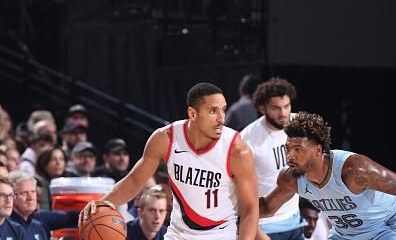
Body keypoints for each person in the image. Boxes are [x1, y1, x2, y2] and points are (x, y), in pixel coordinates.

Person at [80, 82, 259, 240]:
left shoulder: (237, 150)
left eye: (223, 109)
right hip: (178, 234)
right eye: (213, 111)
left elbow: (250, 208)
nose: (221, 118)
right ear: (193, 114)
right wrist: (103, 202)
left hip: (220, 234)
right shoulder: (166, 138)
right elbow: (135, 180)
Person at [259, 111, 396, 240]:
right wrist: (238, 210)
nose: (289, 157)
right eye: (287, 148)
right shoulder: (290, 178)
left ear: (318, 150)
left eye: (298, 149)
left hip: (384, 228)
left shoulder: (354, 170)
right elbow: (267, 207)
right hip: (344, 235)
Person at [241, 77, 305, 240]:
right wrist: (255, 232)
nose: (283, 113)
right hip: (265, 227)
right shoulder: (247, 140)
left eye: (286, 106)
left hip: (295, 219)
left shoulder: (300, 124)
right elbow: (236, 192)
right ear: (262, 108)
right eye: (276, 108)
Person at [8, 170, 78, 240]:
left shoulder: (39, 224)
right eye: (24, 193)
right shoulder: (5, 226)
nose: (30, 198)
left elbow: (69, 217)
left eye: (33, 192)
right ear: (11, 196)